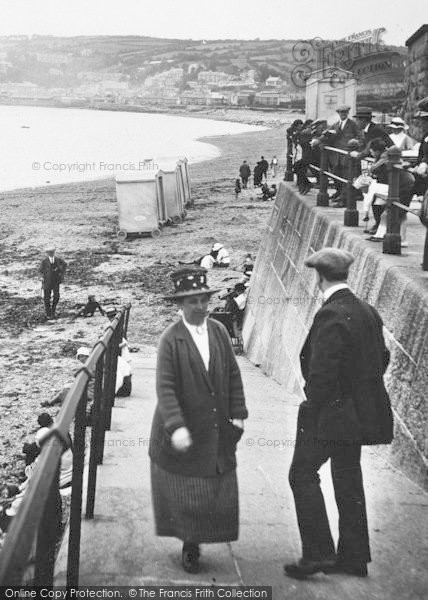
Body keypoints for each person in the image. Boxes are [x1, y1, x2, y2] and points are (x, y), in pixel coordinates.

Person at [285, 248, 393, 580]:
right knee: (348, 479)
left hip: (330, 416)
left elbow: (322, 372)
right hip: (358, 416)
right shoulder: (367, 311)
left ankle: (317, 553)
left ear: (319, 276)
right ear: (345, 275)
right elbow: (383, 358)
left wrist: (312, 407)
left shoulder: (330, 314)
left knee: (301, 475)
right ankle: (354, 557)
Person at [149, 267, 248, 574]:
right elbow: (165, 388)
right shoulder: (171, 339)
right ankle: (190, 544)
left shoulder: (218, 330)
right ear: (180, 304)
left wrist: (239, 413)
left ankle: (202, 536)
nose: (201, 307)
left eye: (204, 299)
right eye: (193, 301)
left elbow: (233, 372)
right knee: (186, 490)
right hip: (183, 429)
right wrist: (176, 426)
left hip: (216, 427)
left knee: (215, 487)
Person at [322, 105, 359, 207]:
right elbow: (326, 134)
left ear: (347, 113)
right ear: (338, 114)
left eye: (345, 112)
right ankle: (339, 193)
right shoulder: (336, 124)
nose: (343, 114)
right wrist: (321, 139)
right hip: (337, 155)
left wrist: (356, 147)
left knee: (346, 176)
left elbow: (360, 136)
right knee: (336, 175)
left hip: (347, 154)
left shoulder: (352, 125)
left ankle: (344, 200)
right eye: (341, 112)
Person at [39, 246, 67, 320]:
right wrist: (41, 277)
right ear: (47, 253)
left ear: (54, 252)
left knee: (56, 296)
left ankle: (53, 310)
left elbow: (65, 265)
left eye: (52, 252)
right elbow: (40, 270)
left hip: (56, 281)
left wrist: (61, 273)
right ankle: (48, 313)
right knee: (46, 298)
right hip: (47, 282)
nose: (51, 254)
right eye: (49, 252)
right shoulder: (44, 261)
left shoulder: (58, 260)